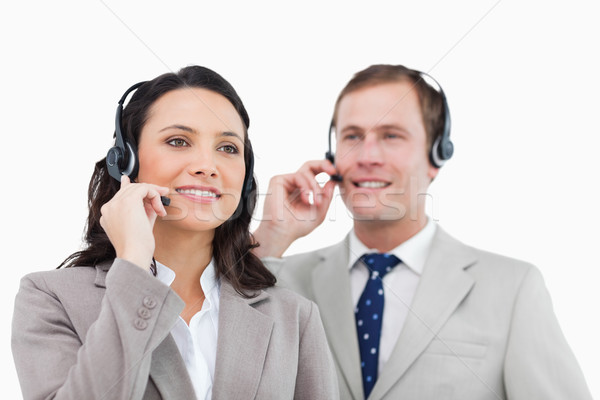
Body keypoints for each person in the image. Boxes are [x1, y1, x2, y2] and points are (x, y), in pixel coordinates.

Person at [252, 64, 592, 399]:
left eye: (391, 136)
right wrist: (273, 234)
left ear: (435, 155)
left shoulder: (513, 289)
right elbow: (223, 368)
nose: (367, 156)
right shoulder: (283, 280)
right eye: (353, 136)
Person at [11, 65, 338, 400]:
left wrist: (273, 234)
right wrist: (134, 264)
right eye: (178, 141)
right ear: (127, 161)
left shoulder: (295, 317)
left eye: (227, 148)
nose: (207, 165)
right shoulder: (50, 298)